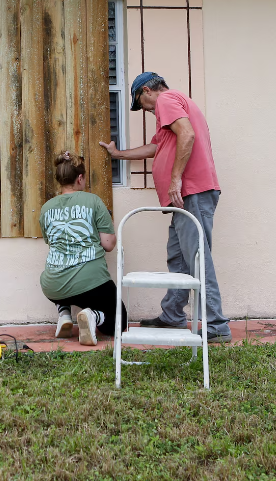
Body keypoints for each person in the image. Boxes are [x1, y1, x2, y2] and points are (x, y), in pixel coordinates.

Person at [99, 72, 232, 343]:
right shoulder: (172, 109)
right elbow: (155, 148)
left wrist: (175, 180)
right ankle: (172, 314)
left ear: (147, 90)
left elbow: (187, 134)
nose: (145, 110)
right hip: (186, 197)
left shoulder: (167, 100)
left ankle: (217, 325)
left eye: (141, 103)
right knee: (178, 257)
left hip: (191, 192)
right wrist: (118, 155)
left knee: (197, 258)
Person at [39, 152, 128, 346]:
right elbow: (109, 244)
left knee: (61, 277)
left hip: (52, 284)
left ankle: (64, 314)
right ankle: (92, 316)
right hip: (90, 282)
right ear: (80, 178)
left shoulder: (46, 208)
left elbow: (53, 241)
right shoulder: (94, 201)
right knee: (119, 320)